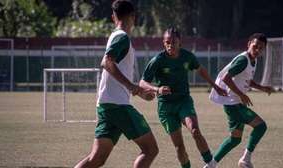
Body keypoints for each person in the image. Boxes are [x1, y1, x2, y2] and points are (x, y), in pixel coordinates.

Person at [74, 1, 158, 167]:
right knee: (151, 150)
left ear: (113, 17)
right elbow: (107, 62)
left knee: (96, 159)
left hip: (106, 105)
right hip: (118, 106)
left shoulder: (115, 35)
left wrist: (136, 90)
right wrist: (133, 87)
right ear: (133, 17)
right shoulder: (122, 37)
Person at [139, 27, 227, 168]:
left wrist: (215, 86)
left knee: (195, 131)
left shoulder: (187, 57)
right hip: (166, 108)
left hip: (183, 101)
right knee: (179, 147)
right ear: (163, 43)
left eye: (174, 42)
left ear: (180, 42)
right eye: (167, 42)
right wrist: (158, 89)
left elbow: (200, 70)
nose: (170, 45)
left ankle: (211, 164)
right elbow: (142, 82)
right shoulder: (158, 60)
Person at [208, 33, 275, 168]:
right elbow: (226, 78)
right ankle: (245, 160)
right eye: (255, 46)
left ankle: (210, 165)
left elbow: (247, 81)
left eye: (261, 48)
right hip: (233, 103)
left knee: (235, 139)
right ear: (248, 44)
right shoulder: (243, 60)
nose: (257, 50)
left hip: (234, 102)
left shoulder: (252, 60)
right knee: (261, 126)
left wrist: (262, 88)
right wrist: (241, 95)